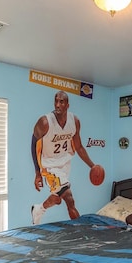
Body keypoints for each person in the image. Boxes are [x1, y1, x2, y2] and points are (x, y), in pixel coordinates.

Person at [31, 90, 97, 224]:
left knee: (57, 198)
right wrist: (37, 172)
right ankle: (81, 231)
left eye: (61, 102)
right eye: (56, 101)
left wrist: (92, 166)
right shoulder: (45, 122)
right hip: (49, 166)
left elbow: (79, 147)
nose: (57, 105)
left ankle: (39, 209)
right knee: (69, 198)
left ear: (67, 105)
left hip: (65, 164)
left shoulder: (75, 121)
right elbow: (34, 144)